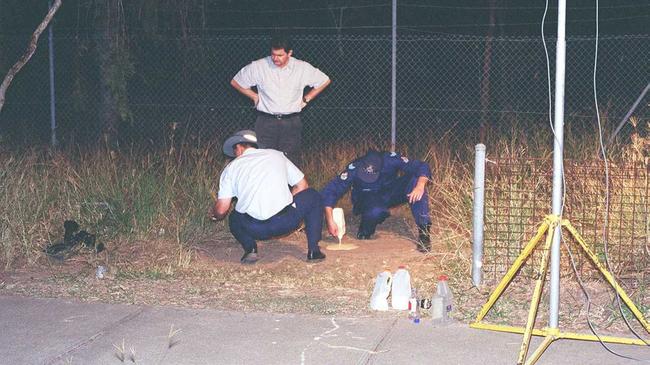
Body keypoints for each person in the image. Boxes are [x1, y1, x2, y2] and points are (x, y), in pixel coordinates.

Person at [210, 130, 326, 264]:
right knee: (313, 196)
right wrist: (290, 204)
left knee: (234, 217)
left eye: (234, 152)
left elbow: (221, 210)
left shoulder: (231, 168)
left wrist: (214, 215)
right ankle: (314, 251)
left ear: (239, 148)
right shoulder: (277, 155)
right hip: (285, 222)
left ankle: (250, 249)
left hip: (254, 228)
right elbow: (302, 185)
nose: (234, 155)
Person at [230, 34, 331, 165]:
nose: (275, 58)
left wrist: (307, 99)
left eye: (280, 55)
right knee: (264, 160)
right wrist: (254, 96)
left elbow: (324, 80)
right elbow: (236, 81)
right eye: (273, 54)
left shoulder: (302, 68)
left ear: (289, 53)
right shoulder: (259, 66)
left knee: (290, 162)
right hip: (266, 122)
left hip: (291, 122)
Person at [320, 150, 433, 252]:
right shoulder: (354, 168)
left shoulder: (390, 159)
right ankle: (365, 228)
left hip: (388, 192)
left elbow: (421, 166)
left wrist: (420, 184)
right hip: (366, 197)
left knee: (415, 180)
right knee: (376, 211)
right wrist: (330, 219)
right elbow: (332, 190)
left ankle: (424, 232)